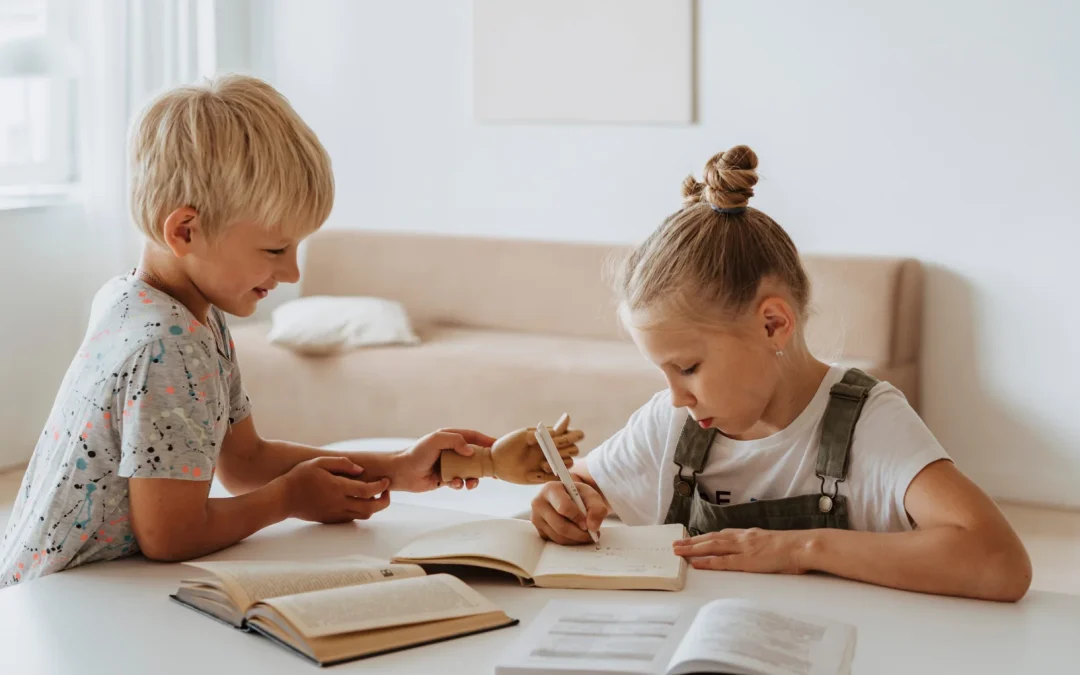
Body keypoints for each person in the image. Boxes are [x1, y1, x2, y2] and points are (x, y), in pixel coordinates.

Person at [1, 74, 491, 587]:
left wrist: (398, 467)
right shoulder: (168, 344)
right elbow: (170, 535)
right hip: (59, 600)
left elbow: (245, 460)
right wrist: (287, 500)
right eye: (275, 251)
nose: (293, 274)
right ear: (184, 231)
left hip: (71, 588)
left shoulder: (159, 304)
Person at [529, 145, 1031, 602]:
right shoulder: (672, 423)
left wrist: (801, 549)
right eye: (663, 372)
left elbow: (1000, 563)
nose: (676, 396)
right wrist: (568, 502)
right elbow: (585, 484)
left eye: (688, 367)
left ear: (773, 324)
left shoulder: (870, 424)